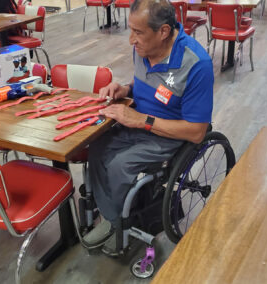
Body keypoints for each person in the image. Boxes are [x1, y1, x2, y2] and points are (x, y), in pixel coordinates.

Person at [86, 0, 213, 256]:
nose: (131, 39)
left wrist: (141, 121)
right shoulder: (144, 48)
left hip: (169, 134)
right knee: (96, 149)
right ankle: (114, 218)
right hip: (137, 122)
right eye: (131, 30)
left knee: (120, 165)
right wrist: (124, 89)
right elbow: (143, 83)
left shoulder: (196, 64)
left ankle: (119, 223)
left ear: (164, 31)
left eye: (139, 32)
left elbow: (197, 131)